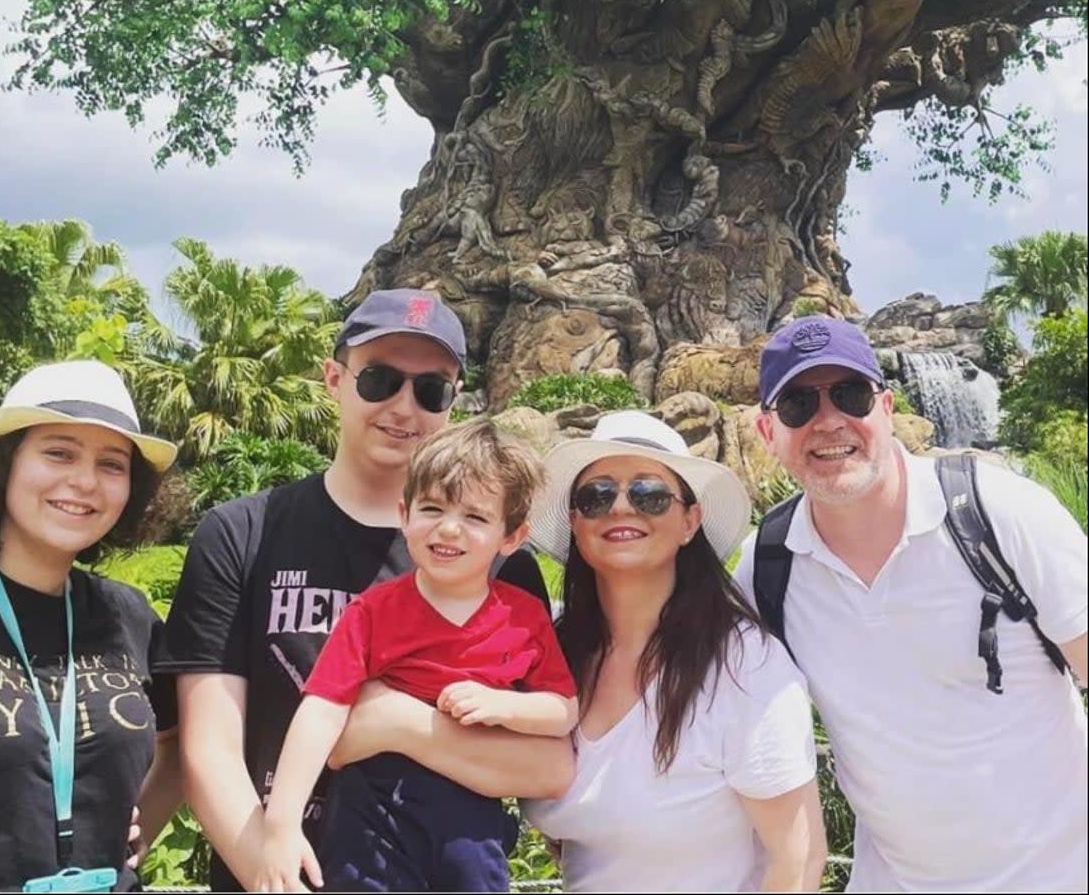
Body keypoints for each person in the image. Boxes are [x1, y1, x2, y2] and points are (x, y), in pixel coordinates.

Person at [157, 288, 573, 891]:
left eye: (430, 389)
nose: (403, 407)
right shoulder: (241, 534)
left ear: (452, 402)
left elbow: (549, 762)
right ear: (334, 378)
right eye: (379, 379)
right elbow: (209, 752)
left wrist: (395, 723)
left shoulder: (501, 570)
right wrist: (272, 876)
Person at [736, 315, 1088, 892]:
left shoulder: (998, 511)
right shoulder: (768, 563)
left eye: (849, 395)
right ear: (766, 430)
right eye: (798, 404)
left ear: (887, 406)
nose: (828, 422)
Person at [0, 359, 183, 891]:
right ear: (3, 464)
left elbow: (184, 740)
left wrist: (134, 833)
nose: (85, 481)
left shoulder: (128, 615)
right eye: (58, 452)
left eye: (112, 464)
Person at [255, 420, 578, 892]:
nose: (449, 528)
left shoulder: (523, 615)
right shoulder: (372, 611)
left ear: (511, 537)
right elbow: (321, 710)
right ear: (404, 513)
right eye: (432, 508)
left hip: (471, 819)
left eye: (475, 517)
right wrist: (280, 825)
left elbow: (562, 710)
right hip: (370, 818)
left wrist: (505, 706)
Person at [523, 411, 827, 892]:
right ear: (575, 523)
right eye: (597, 495)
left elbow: (798, 860)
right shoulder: (554, 653)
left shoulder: (742, 665)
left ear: (689, 521)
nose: (622, 508)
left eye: (649, 494)